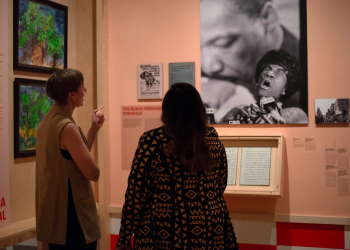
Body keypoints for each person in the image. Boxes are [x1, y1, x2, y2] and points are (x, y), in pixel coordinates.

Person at [116, 83, 239, 250]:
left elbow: (136, 192)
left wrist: (124, 237)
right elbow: (220, 183)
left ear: (167, 111)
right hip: (210, 228)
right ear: (198, 109)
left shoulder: (152, 141)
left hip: (164, 228)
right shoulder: (211, 139)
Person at [36, 69, 104, 250]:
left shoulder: (47, 121)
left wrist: (93, 129)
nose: (86, 91)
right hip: (73, 221)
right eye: (83, 87)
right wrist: (97, 168)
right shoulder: (67, 127)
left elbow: (74, 159)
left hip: (55, 218)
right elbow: (92, 172)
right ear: (72, 94)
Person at [200, 0, 301, 123]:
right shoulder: (206, 74)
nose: (208, 67)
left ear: (267, 18)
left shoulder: (304, 85)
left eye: (223, 43)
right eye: (197, 48)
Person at [223, 50, 307, 124]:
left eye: (279, 73)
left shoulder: (294, 118)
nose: (269, 73)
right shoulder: (238, 113)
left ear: (285, 88)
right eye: (266, 69)